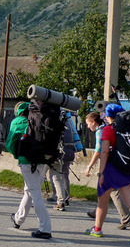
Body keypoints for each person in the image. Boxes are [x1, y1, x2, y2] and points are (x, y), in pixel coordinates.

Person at [85, 104, 130, 244]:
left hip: (111, 170)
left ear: (108, 116)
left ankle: (97, 229)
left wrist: (101, 172)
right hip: (127, 168)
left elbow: (105, 151)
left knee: (102, 201)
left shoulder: (108, 129)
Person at [5, 101, 53, 239]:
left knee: (35, 193)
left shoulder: (17, 121)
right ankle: (18, 219)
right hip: (43, 160)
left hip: (27, 161)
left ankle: (45, 228)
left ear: (19, 111)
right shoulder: (40, 120)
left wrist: (17, 155)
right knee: (29, 191)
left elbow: (10, 144)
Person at [84, 111, 130, 229]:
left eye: (88, 123)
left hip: (108, 164)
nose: (87, 126)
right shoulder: (107, 128)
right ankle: (98, 212)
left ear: (94, 122)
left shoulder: (100, 131)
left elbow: (99, 150)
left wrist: (89, 166)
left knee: (111, 191)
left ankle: (125, 218)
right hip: (115, 162)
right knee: (108, 190)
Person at [50, 112, 79, 211]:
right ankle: (65, 197)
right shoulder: (69, 120)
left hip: (58, 152)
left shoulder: (54, 118)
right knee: (65, 174)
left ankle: (57, 196)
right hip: (69, 150)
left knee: (55, 175)